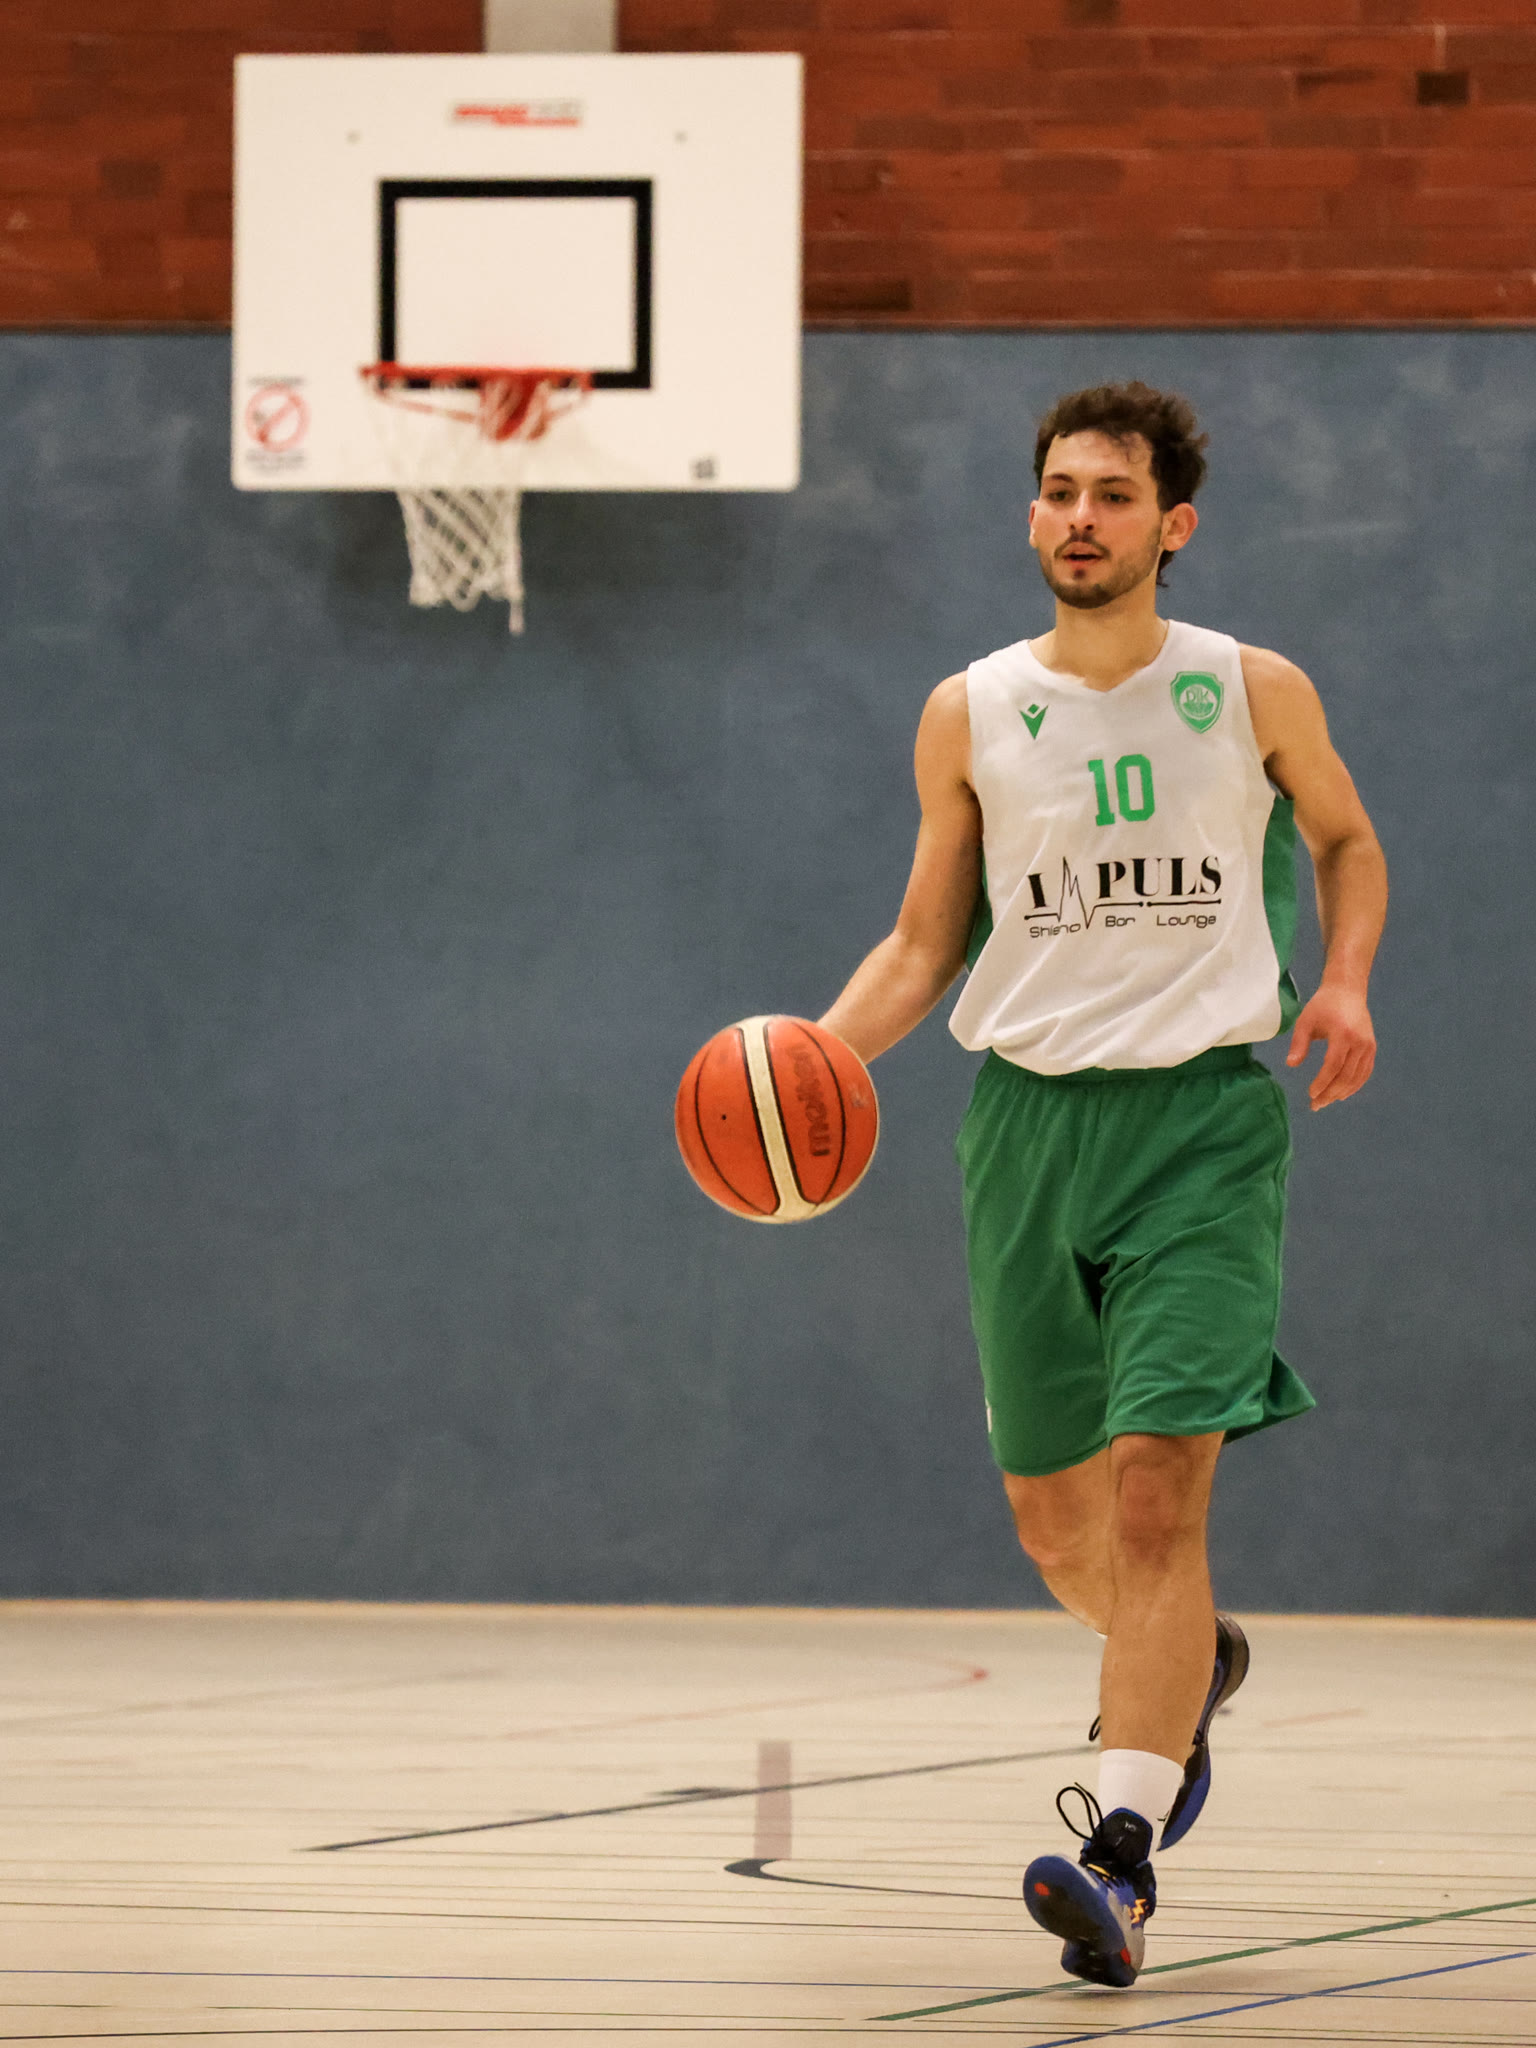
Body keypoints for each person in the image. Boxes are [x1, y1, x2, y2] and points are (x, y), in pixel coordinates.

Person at [818, 381, 1387, 1988]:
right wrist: (814, 1062)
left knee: (1157, 1494)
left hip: (1201, 1129)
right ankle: (1188, 1665)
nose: (1081, 517)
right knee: (1058, 1523)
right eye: (1060, 491)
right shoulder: (971, 711)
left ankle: (1121, 1855)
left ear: (1171, 524)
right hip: (1025, 1133)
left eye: (1114, 495)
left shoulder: (1250, 688)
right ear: (1032, 514)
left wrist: (1346, 981)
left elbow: (1348, 843)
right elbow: (924, 942)